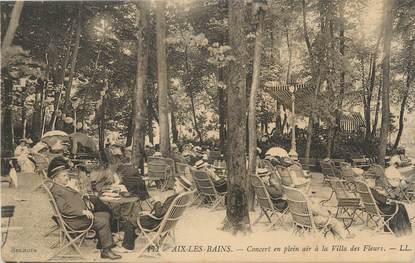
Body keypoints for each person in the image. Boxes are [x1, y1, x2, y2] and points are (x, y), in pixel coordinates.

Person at [47, 156, 122, 259]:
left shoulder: (61, 187)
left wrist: (84, 201)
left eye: (66, 175)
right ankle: (106, 250)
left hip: (77, 216)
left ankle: (102, 244)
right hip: (74, 221)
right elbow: (64, 209)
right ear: (55, 178)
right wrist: (82, 211)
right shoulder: (57, 190)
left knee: (106, 214)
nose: (67, 177)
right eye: (64, 175)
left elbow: (72, 199)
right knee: (103, 221)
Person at [119, 176, 192, 252]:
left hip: (158, 223)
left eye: (176, 185)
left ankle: (127, 247)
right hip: (167, 223)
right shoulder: (181, 198)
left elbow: (159, 214)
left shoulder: (175, 198)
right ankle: (130, 238)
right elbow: (163, 211)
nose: (174, 186)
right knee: (137, 217)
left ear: (182, 188)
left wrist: (157, 201)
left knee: (130, 220)